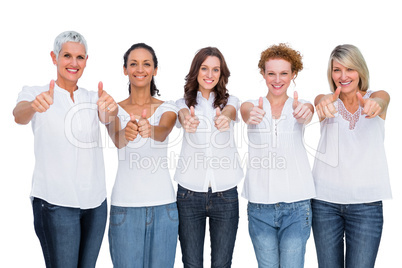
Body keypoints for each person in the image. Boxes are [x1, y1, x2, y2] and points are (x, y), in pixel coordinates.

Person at [12, 31, 117, 267]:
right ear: (54, 57)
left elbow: (109, 119)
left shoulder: (93, 98)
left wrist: (109, 110)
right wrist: (33, 105)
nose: (73, 63)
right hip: (55, 203)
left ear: (86, 61)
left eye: (80, 57)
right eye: (67, 55)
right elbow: (19, 116)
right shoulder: (35, 92)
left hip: (95, 203)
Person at [312, 44, 392, 268]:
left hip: (366, 205)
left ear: (360, 71)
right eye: (337, 70)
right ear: (331, 74)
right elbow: (320, 101)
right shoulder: (326, 101)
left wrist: (376, 104)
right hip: (324, 203)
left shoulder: (377, 97)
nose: (343, 76)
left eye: (350, 69)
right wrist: (323, 104)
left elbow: (383, 99)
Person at [240, 43, 315, 267]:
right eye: (271, 73)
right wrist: (250, 114)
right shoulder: (251, 105)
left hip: (297, 205)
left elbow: (308, 114)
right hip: (260, 206)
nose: (277, 79)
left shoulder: (301, 106)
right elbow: (244, 112)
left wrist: (306, 111)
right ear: (263, 74)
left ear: (293, 74)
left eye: (284, 73)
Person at [106, 43, 179, 268]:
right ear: (125, 69)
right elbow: (117, 139)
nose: (140, 69)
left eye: (146, 64)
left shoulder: (168, 106)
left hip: (164, 207)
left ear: (155, 70)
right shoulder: (113, 108)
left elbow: (164, 130)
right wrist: (127, 134)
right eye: (133, 64)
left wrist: (150, 130)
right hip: (125, 208)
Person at [175, 47, 243, 268]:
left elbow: (231, 111)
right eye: (204, 68)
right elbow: (182, 114)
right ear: (196, 70)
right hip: (188, 195)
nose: (209, 74)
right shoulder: (182, 103)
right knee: (192, 263)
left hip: (226, 195)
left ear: (221, 73)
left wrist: (224, 116)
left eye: (215, 69)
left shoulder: (231, 101)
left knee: (222, 264)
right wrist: (186, 119)